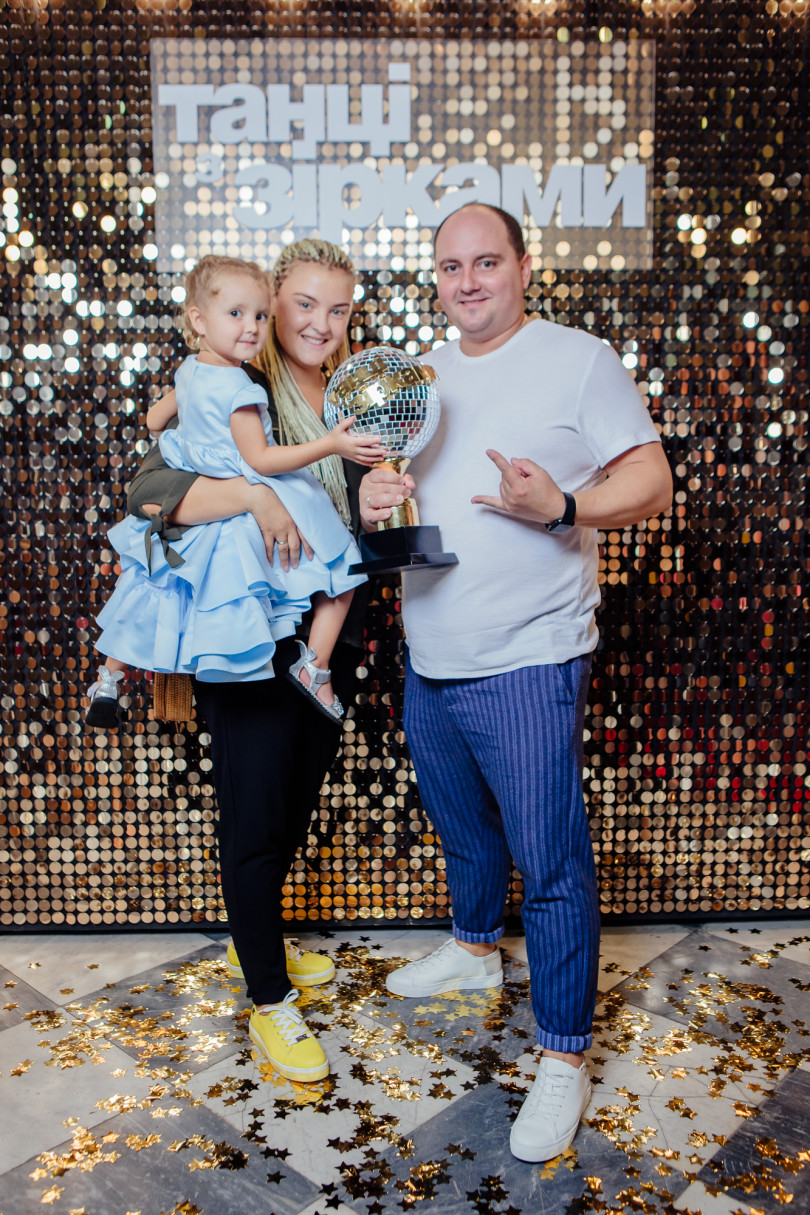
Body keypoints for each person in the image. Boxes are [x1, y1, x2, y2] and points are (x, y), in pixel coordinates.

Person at [359, 203, 673, 1161]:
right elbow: (389, 495)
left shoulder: (579, 360)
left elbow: (653, 481)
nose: (468, 281)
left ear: (524, 267)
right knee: (463, 825)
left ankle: (564, 1054)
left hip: (531, 657)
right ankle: (472, 950)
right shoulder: (418, 375)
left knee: (551, 864)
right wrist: (370, 496)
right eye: (451, 266)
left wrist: (563, 504)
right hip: (431, 652)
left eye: (486, 261)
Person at [93, 239, 373, 1082]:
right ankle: (268, 993)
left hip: (327, 631)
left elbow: (360, 514)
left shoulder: (354, 393)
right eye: (303, 304)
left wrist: (380, 495)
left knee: (292, 803)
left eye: (337, 309)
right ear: (271, 305)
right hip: (243, 626)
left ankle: (260, 939)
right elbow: (149, 493)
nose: (318, 323)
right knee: (253, 814)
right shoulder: (234, 381)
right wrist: (252, 494)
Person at [85, 254, 384, 726]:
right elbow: (252, 462)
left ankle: (109, 677)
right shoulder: (246, 387)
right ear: (199, 320)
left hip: (206, 474)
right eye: (304, 304)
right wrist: (322, 449)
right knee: (342, 561)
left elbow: (154, 420)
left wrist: (190, 442)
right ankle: (315, 665)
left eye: (258, 316)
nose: (251, 327)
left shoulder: (192, 371)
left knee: (157, 578)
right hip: (249, 514)